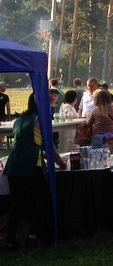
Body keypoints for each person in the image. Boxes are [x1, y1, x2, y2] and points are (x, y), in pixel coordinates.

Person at [3, 93, 66, 249]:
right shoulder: (39, 120)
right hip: (30, 167)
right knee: (44, 200)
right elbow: (49, 147)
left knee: (17, 204)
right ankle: (36, 234)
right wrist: (61, 163)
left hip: (14, 164)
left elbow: (29, 144)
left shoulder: (19, 120)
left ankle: (12, 240)